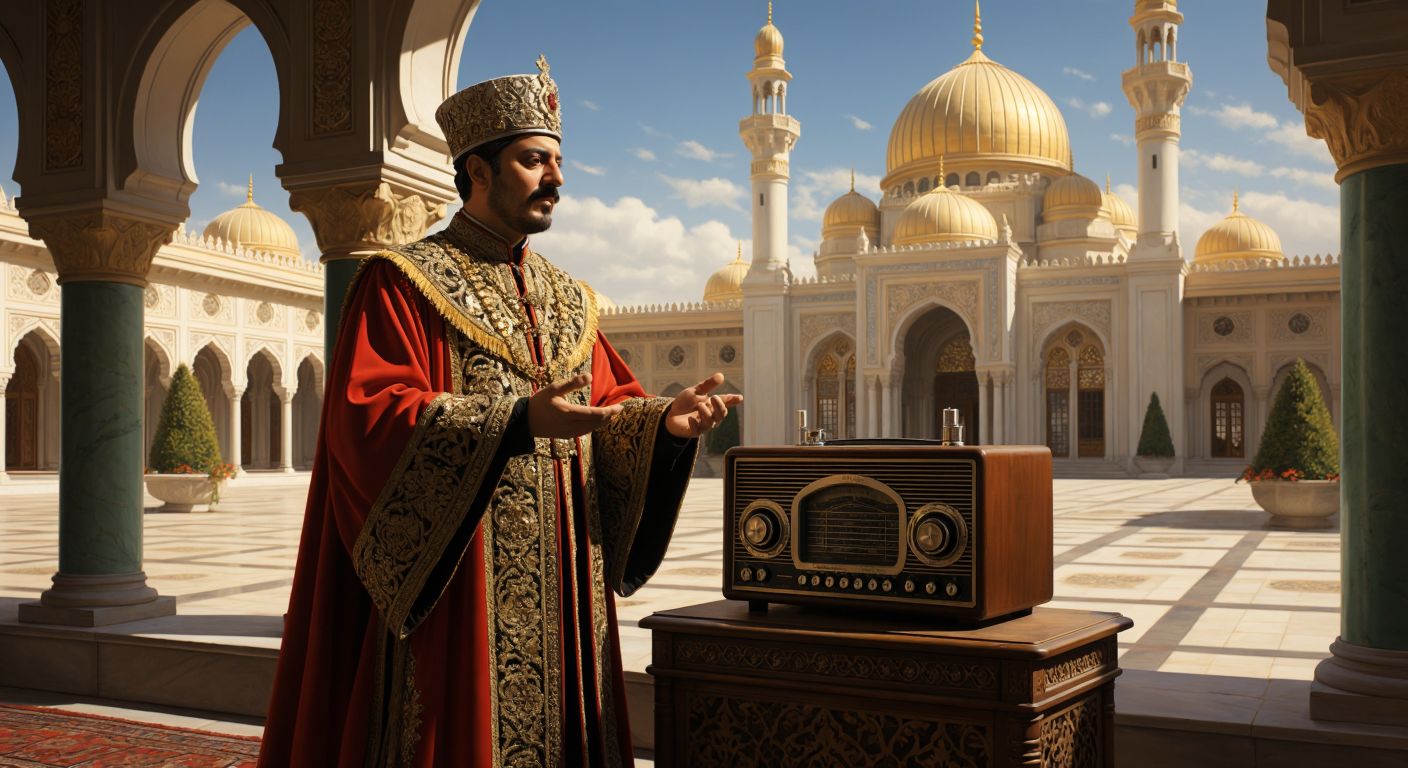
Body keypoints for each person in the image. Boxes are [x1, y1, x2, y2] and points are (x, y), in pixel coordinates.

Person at [257, 56, 741, 768]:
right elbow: (369, 417)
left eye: (559, 160)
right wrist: (514, 422)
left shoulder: (569, 299)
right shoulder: (403, 283)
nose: (557, 177)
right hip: (460, 588)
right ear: (477, 172)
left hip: (566, 576)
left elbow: (612, 405)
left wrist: (664, 425)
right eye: (534, 160)